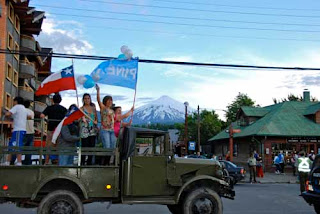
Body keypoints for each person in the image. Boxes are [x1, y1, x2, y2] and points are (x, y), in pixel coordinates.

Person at [3, 97, 31, 166]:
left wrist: (4, 112)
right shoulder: (24, 108)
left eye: (14, 101)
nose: (13, 103)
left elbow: (8, 114)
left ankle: (19, 162)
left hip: (18, 129)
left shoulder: (17, 107)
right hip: (21, 129)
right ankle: (8, 161)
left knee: (17, 146)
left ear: (16, 101)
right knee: (12, 145)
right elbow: (29, 116)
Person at [41, 93, 67, 164]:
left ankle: (46, 162)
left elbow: (42, 115)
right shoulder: (63, 109)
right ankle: (58, 161)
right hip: (59, 130)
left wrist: (47, 120)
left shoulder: (49, 108)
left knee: (49, 146)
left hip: (51, 129)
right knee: (58, 146)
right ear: (60, 100)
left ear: (53, 100)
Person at [96, 84, 116, 164]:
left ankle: (108, 162)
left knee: (112, 147)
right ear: (105, 101)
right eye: (108, 100)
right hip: (105, 130)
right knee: (107, 146)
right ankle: (104, 163)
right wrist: (98, 91)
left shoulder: (112, 110)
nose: (110, 102)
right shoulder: (103, 108)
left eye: (111, 100)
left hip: (112, 130)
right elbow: (98, 100)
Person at [80, 93, 98, 165]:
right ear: (83, 100)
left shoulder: (93, 108)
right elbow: (78, 118)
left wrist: (96, 121)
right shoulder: (81, 108)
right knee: (85, 146)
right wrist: (82, 118)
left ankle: (89, 163)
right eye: (85, 98)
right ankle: (82, 162)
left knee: (91, 146)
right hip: (84, 129)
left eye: (88, 98)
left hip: (92, 129)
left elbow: (96, 117)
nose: (87, 100)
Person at [23, 100, 34, 165]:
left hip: (24, 131)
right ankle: (28, 162)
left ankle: (12, 161)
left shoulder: (22, 111)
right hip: (31, 131)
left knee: (19, 147)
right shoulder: (32, 112)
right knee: (29, 149)